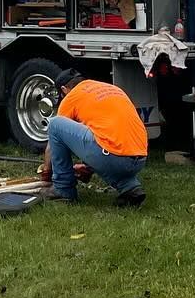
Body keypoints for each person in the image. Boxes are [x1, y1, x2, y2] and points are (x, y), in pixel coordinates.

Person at [41, 71, 148, 208]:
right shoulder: (112, 89)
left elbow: (53, 141)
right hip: (138, 158)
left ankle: (63, 190)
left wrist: (46, 172)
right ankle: (130, 188)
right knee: (108, 148)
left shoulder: (72, 96)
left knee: (56, 125)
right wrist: (88, 167)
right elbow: (104, 133)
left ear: (63, 89)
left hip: (113, 157)